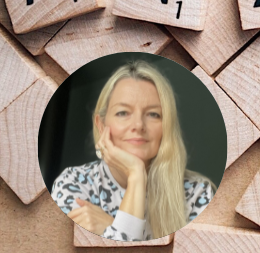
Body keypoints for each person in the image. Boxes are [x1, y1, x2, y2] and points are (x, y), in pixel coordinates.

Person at [51, 61, 216, 241]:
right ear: (101, 124)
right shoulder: (72, 183)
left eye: (153, 114)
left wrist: (111, 226)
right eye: (123, 113)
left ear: (167, 126)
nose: (138, 125)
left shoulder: (197, 193)